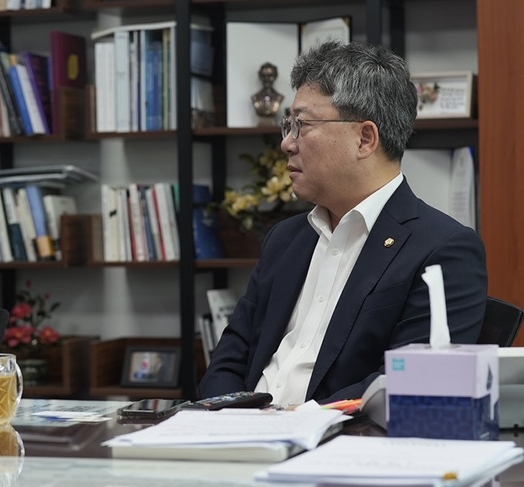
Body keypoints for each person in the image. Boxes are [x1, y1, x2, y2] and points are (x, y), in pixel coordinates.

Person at [200, 40, 487, 408]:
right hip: (238, 433)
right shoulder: (286, 239)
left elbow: (408, 382)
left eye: (302, 125)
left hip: (336, 437)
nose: (287, 143)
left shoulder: (443, 250)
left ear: (364, 139)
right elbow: (229, 360)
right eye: (288, 125)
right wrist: (229, 420)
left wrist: (293, 423)